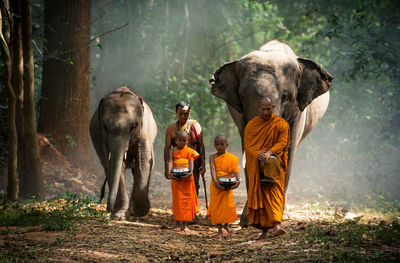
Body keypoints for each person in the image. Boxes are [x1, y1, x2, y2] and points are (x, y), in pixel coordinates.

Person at [244, 96, 290, 239]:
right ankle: (264, 232)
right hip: (257, 167)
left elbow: (283, 143)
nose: (265, 112)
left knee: (275, 193)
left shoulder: (281, 124)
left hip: (275, 167)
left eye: (268, 109)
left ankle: (276, 226)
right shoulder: (251, 125)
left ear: (273, 107)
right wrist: (259, 155)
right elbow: (248, 146)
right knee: (262, 197)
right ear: (259, 109)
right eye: (263, 109)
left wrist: (269, 153)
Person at [164, 102, 206, 197]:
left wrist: (203, 164)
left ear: (189, 112)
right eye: (180, 114)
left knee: (193, 186)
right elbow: (167, 149)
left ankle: (192, 210)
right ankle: (181, 210)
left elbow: (201, 145)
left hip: (192, 162)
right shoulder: (171, 129)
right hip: (177, 164)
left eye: (186, 113)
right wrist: (167, 168)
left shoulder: (195, 125)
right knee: (179, 187)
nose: (183, 116)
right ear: (176, 113)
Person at [207, 135, 240, 239]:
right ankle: (220, 231)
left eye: (222, 144)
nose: (220, 146)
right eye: (217, 144)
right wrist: (215, 182)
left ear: (227, 145)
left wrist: (238, 180)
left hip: (228, 184)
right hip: (216, 185)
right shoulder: (212, 157)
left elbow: (235, 171)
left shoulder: (231, 158)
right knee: (217, 208)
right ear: (214, 145)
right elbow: (212, 170)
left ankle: (227, 226)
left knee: (226, 207)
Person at [166, 131, 199, 232]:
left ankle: (185, 225)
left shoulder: (189, 151)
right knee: (177, 202)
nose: (182, 142)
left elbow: (191, 162)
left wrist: (191, 172)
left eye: (184, 140)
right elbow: (170, 161)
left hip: (187, 178)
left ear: (187, 141)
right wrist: (169, 171)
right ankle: (177, 224)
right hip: (176, 179)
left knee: (187, 202)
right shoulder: (172, 151)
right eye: (180, 140)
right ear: (175, 141)